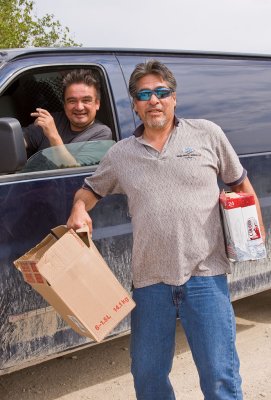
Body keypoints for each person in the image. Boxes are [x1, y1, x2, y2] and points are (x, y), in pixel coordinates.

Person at [66, 60, 265, 400]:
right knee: (148, 377)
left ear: (174, 98)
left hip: (206, 277)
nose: (154, 100)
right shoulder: (120, 154)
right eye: (144, 94)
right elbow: (88, 191)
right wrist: (79, 208)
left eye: (162, 92)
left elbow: (242, 185)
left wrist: (254, 240)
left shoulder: (207, 134)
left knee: (220, 377)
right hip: (150, 284)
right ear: (135, 104)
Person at [23, 69, 112, 158]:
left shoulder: (101, 134)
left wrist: (53, 135)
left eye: (86, 100)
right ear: (65, 105)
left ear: (97, 104)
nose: (79, 107)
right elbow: (18, 142)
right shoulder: (53, 120)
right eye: (72, 101)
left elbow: (75, 169)